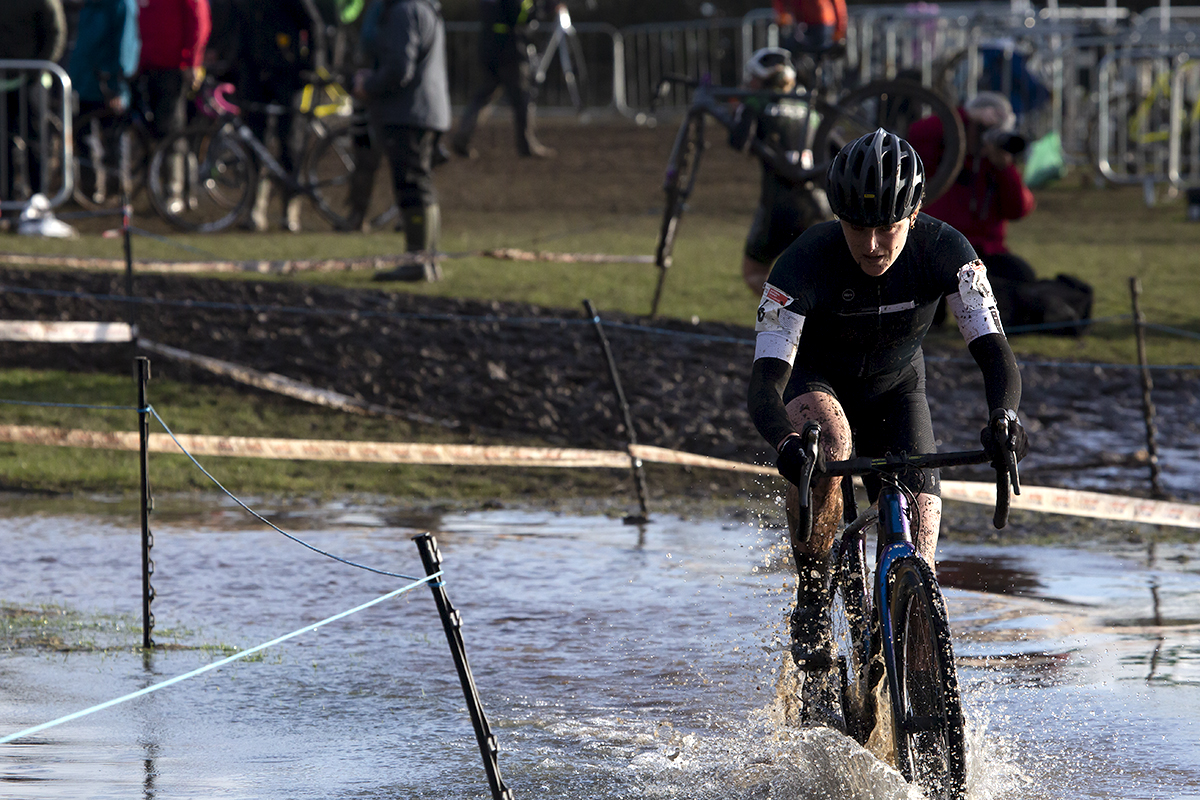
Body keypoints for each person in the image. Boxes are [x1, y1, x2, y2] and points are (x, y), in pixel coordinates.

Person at [746, 128, 1028, 670]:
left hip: (898, 389)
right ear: (838, 218)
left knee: (922, 541)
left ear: (916, 214)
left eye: (888, 229)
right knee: (831, 438)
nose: (873, 246)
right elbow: (765, 384)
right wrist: (785, 444)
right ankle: (812, 594)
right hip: (817, 382)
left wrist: (1004, 417)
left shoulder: (949, 251)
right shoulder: (801, 264)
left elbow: (995, 354)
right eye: (858, 229)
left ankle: (912, 684)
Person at [354, 0, 450, 281]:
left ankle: (416, 261)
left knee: (411, 187)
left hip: (407, 113)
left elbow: (399, 68)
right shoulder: (425, 8)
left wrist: (368, 86)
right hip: (427, 110)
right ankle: (428, 260)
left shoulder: (403, 11)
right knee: (422, 185)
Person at [907, 91, 1037, 296]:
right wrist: (962, 119)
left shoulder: (996, 166)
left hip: (982, 251)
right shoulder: (941, 146)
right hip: (936, 247)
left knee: (1022, 276)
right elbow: (915, 132)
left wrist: (1005, 168)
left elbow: (1018, 209)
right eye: (981, 128)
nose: (984, 135)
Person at [728, 47, 832, 296]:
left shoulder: (757, 102)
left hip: (778, 203)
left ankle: (790, 312)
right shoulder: (809, 106)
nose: (750, 83)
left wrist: (742, 111)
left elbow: (738, 142)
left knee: (754, 273)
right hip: (817, 203)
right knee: (817, 275)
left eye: (753, 78)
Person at [229, 0, 320, 232]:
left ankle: (289, 209)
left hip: (286, 74)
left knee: (290, 142)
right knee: (253, 143)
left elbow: (313, 24)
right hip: (253, 73)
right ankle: (254, 208)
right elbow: (237, 26)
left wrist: (311, 65)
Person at [449, 0, 558, 159]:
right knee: (522, 99)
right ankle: (526, 145)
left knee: (485, 94)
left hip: (488, 45)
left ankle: (462, 137)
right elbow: (521, 15)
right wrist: (543, 9)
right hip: (510, 49)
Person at [0, 0, 68, 204]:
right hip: (4, 80)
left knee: (35, 141)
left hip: (32, 81)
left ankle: (38, 201)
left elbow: (55, 33)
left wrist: (36, 69)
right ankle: (6, 202)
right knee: (3, 144)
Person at [136, 0, 212, 142]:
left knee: (170, 133)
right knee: (146, 131)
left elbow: (199, 21)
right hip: (146, 67)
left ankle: (173, 162)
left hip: (173, 69)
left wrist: (192, 62)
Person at [773, 0, 847, 58]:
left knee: (820, 52)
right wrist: (782, 13)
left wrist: (839, 29)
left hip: (822, 22)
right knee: (789, 48)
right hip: (799, 22)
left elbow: (838, 4)